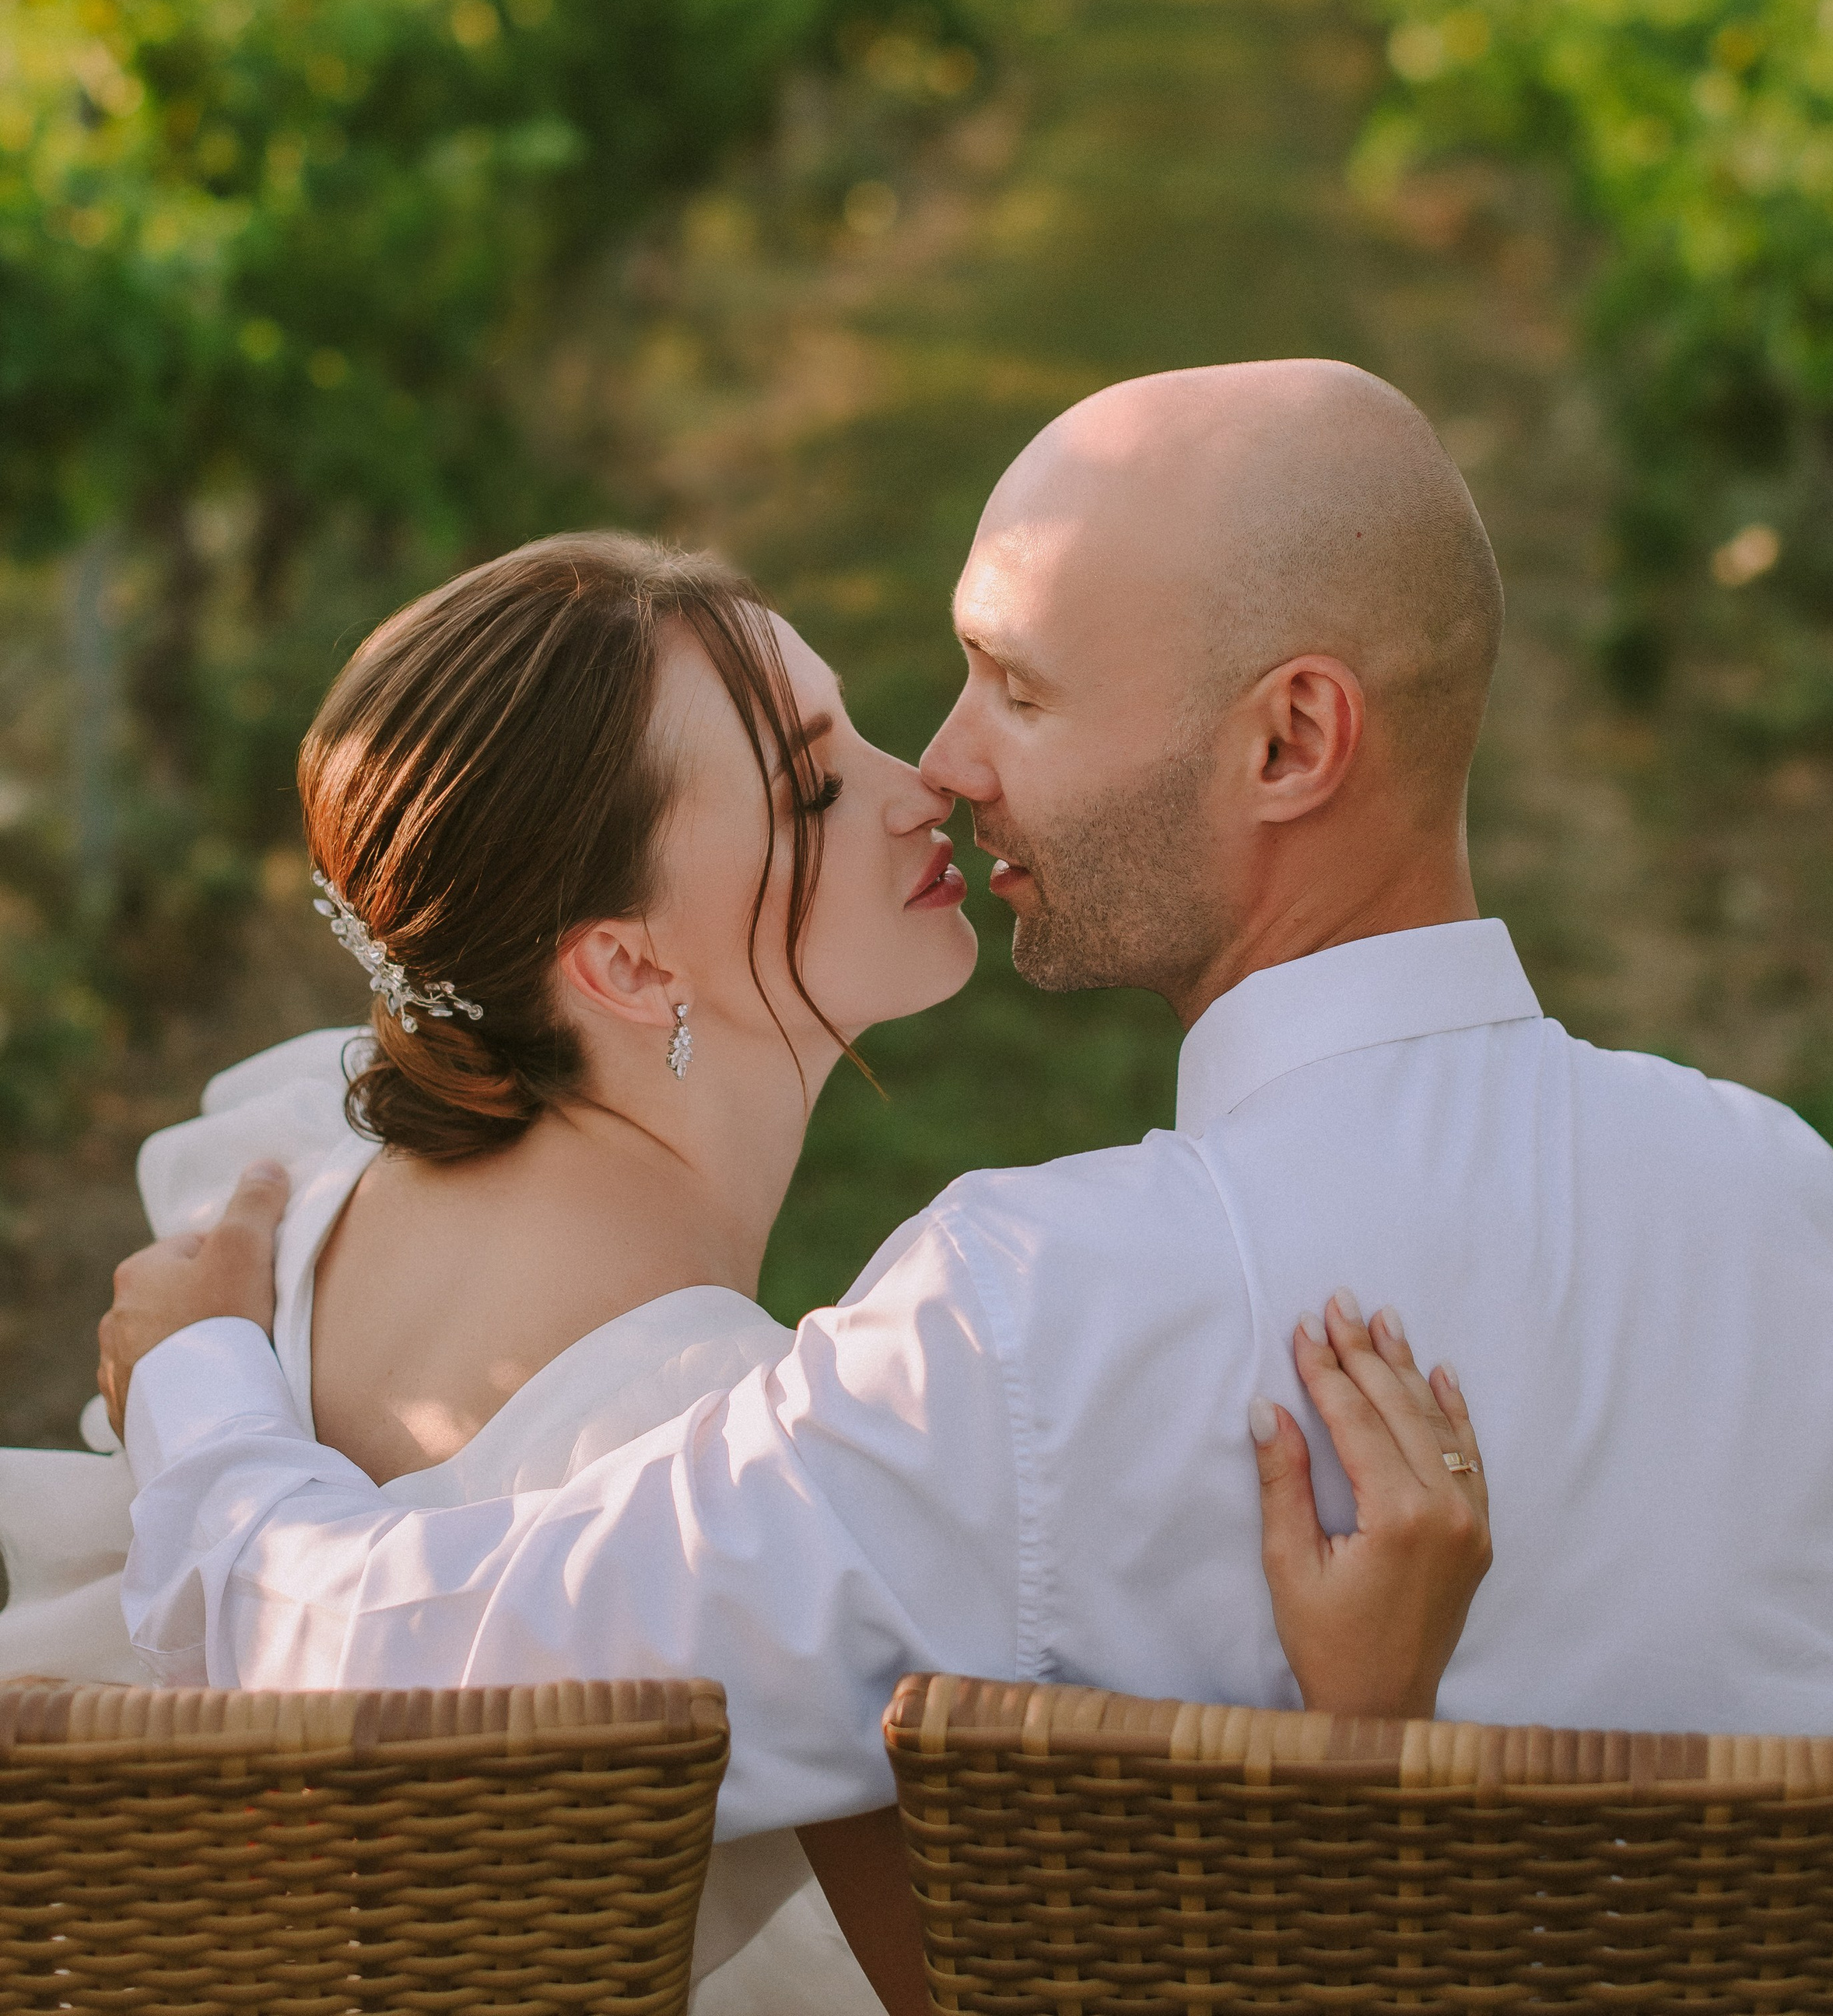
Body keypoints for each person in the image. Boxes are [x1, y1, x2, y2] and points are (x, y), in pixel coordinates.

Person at [101, 362, 1833, 1836]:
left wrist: (198, 1379)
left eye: (1014, 687)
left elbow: (406, 1681)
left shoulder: (1033, 1323)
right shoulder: (1797, 1217)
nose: (948, 768)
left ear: (1287, 741)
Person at [5, 528, 1488, 2015]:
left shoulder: (295, 1185)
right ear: (629, 965)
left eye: (854, 723)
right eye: (815, 782)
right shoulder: (716, 1456)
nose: (929, 789)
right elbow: (985, 1994)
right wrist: (1364, 1723)